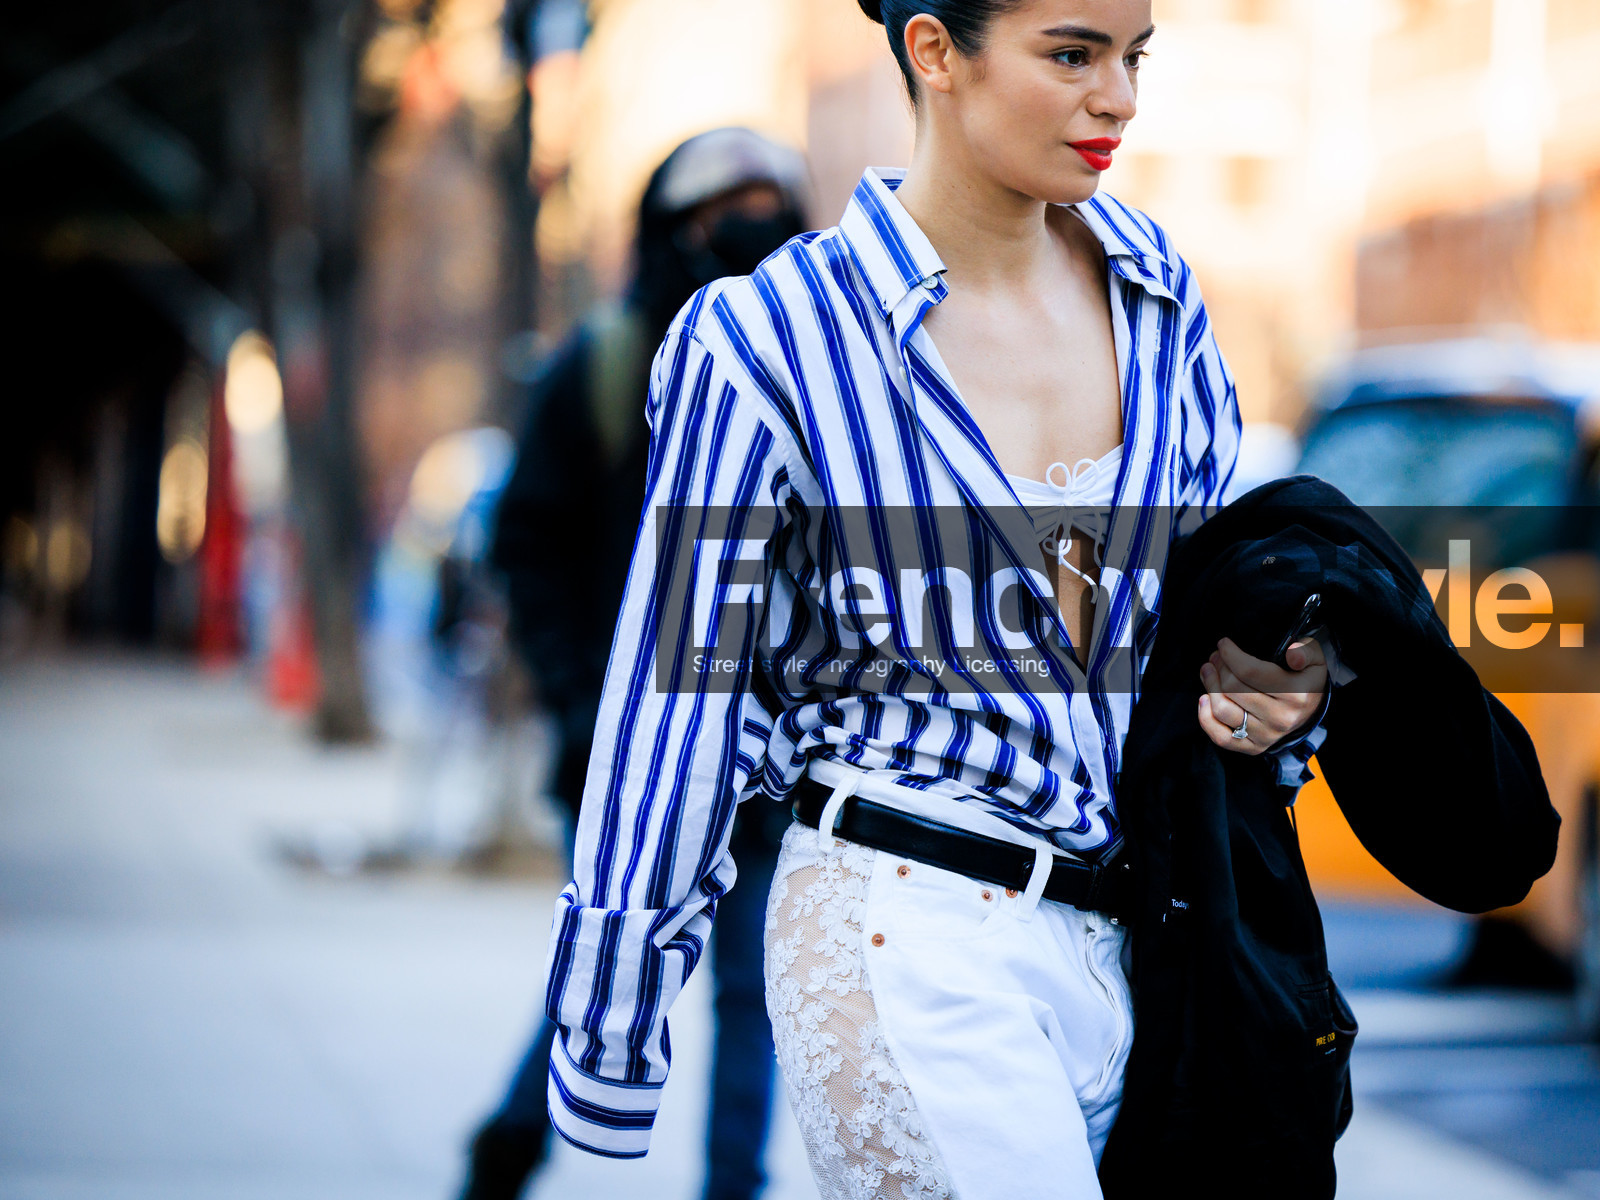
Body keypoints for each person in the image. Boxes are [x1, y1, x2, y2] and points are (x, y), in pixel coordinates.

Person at [541, 3, 1334, 1198]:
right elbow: (675, 706)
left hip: (1144, 947)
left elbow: (1205, 611)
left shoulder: (1160, 294)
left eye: (1134, 57)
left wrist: (1277, 689)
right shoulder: (769, 336)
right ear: (934, 51)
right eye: (1071, 55)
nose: (1117, 98)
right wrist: (612, 1034)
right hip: (904, 930)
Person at [459, 128, 810, 1200]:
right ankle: (509, 1146)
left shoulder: (819, 370)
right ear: (670, 232)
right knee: (613, 965)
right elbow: (524, 543)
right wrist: (580, 703)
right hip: (628, 750)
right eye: (724, 213)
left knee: (749, 990)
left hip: (770, 755)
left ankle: (729, 1187)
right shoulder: (602, 368)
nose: (751, 233)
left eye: (771, 210)